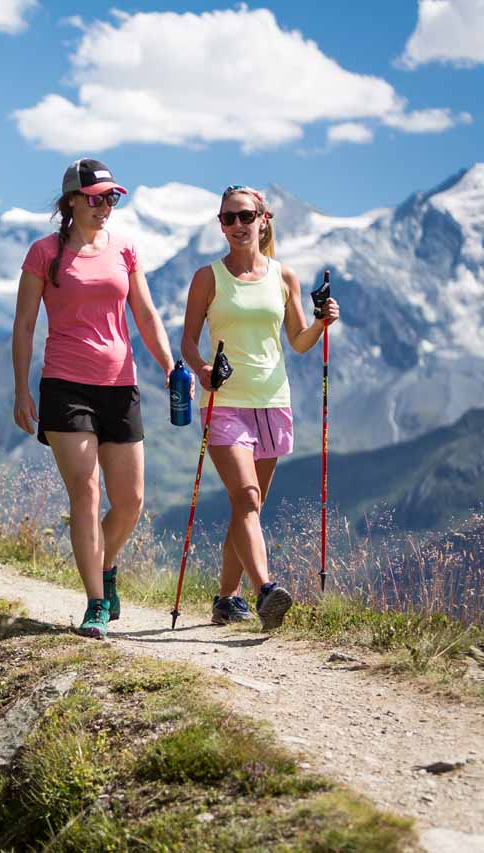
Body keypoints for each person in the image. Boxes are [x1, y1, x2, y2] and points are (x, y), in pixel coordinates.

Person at [12, 158, 178, 640]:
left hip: (120, 385)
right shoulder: (44, 253)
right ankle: (95, 603)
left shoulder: (125, 249)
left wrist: (170, 367)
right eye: (96, 198)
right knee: (86, 493)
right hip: (66, 386)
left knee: (130, 501)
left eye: (111, 198)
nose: (105, 206)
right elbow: (24, 325)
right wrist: (21, 387)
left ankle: (104, 568)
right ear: (71, 201)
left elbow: (144, 312)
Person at [180, 186, 339, 630]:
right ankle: (266, 589)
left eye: (245, 217)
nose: (236, 226)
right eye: (227, 218)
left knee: (247, 505)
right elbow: (188, 342)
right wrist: (202, 368)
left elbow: (299, 342)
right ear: (220, 224)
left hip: (273, 403)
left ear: (263, 219)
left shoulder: (283, 277)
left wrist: (322, 324)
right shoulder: (208, 278)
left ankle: (226, 599)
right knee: (247, 497)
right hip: (225, 403)